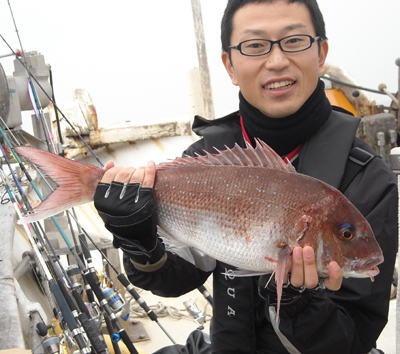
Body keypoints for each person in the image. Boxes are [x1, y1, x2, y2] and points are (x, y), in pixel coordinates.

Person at [94, 1, 398, 353]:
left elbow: (355, 339)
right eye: (255, 46)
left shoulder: (369, 179)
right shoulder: (204, 162)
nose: (277, 60)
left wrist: (300, 303)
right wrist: (140, 242)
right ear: (230, 65)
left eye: (294, 40)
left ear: (321, 52)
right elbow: (177, 277)